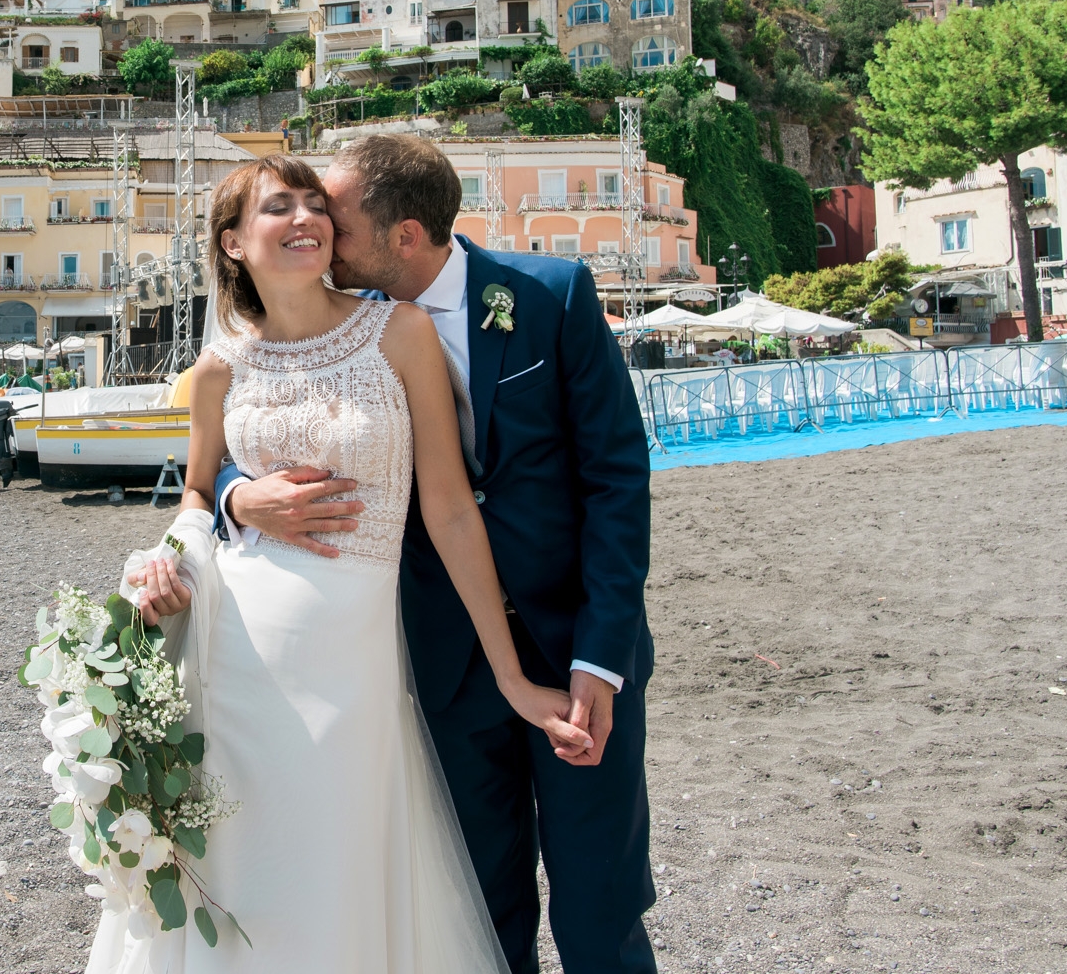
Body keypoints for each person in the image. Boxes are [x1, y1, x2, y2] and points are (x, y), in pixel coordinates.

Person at [106, 153, 589, 972]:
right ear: (231, 243)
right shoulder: (219, 366)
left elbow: (447, 509)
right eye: (277, 207)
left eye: (312, 204)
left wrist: (511, 676)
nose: (304, 218)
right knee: (246, 867)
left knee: (340, 865)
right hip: (237, 656)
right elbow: (193, 494)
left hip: (355, 660)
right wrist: (195, 533)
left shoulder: (399, 333)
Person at [208, 136, 656, 973]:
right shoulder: (349, 329)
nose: (314, 234)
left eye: (334, 223)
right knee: (479, 912)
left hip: (577, 652)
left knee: (602, 906)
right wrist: (238, 492)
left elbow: (617, 482)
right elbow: (255, 417)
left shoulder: (550, 295)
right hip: (435, 663)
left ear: (404, 236)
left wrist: (602, 659)